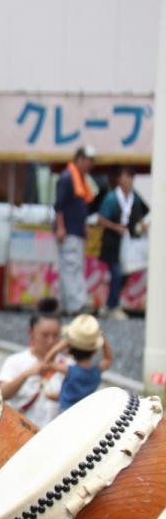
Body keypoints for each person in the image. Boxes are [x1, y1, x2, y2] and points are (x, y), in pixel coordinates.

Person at [0, 298, 66, 428]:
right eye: (45, 335)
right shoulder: (15, 361)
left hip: (57, 433)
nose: (51, 341)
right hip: (22, 433)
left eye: (55, 335)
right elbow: (0, 395)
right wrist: (27, 374)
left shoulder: (66, 364)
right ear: (31, 332)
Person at [97, 166, 150, 319]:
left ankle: (109, 304)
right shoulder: (112, 198)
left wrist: (142, 224)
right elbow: (101, 219)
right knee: (116, 273)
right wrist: (116, 227)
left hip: (128, 242)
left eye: (131, 177)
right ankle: (113, 306)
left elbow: (139, 214)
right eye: (125, 177)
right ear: (119, 179)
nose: (128, 181)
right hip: (113, 242)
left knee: (123, 274)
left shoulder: (135, 197)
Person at [54, 145, 97, 316]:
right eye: (88, 160)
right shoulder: (67, 178)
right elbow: (59, 206)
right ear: (79, 159)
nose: (90, 164)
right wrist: (61, 227)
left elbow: (80, 207)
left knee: (72, 267)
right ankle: (77, 305)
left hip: (76, 230)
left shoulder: (80, 178)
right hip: (69, 230)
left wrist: (84, 226)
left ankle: (67, 304)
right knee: (72, 267)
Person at [46, 314, 113, 412]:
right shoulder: (97, 371)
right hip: (85, 411)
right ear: (94, 351)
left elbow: (47, 362)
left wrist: (64, 342)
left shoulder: (69, 370)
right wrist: (101, 338)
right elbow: (108, 359)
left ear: (69, 350)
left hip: (66, 411)